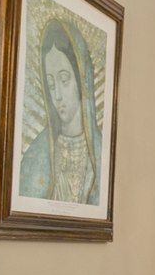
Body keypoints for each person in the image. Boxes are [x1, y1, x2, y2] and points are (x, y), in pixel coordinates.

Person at [18, 20, 101, 205]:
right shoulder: (37, 153)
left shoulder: (102, 153)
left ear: (82, 81)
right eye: (51, 84)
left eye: (64, 80)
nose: (57, 96)